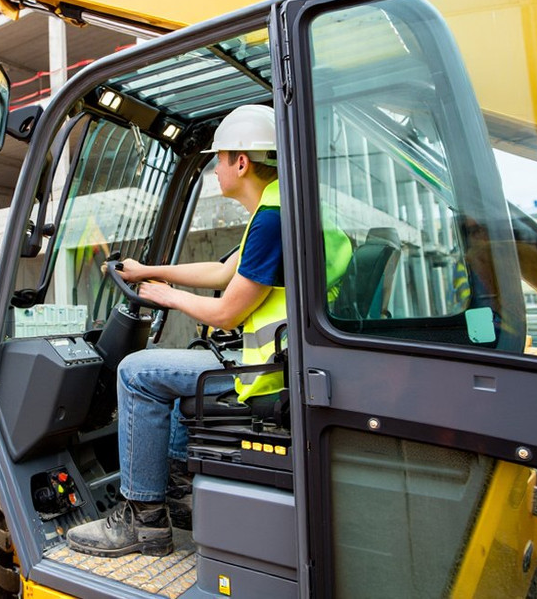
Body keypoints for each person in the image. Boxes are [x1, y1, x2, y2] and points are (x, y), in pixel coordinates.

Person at [65, 104, 351, 558]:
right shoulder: (279, 206)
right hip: (286, 361)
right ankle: (178, 495)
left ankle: (142, 517)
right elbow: (222, 274)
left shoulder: (273, 221)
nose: (214, 168)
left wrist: (167, 296)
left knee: (136, 373)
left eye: (218, 158)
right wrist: (147, 271)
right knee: (176, 374)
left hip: (265, 372)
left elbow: (226, 314)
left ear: (241, 162)